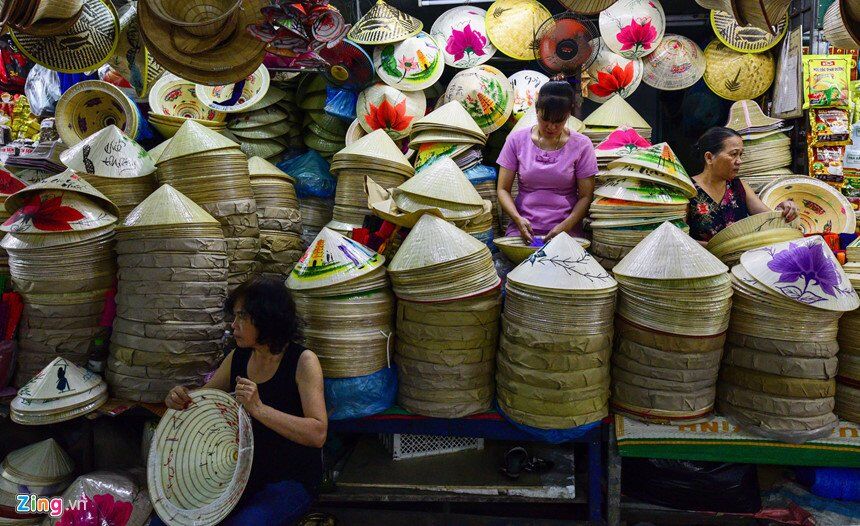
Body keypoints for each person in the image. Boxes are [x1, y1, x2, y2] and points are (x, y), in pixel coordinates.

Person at [155, 276, 327, 526]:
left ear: (267, 319)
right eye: (234, 317)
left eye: (242, 317)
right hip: (240, 477)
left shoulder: (303, 362)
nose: (233, 325)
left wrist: (259, 409)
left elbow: (318, 433)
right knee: (167, 520)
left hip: (289, 481)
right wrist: (180, 398)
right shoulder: (238, 357)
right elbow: (201, 403)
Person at [497, 81, 597, 243]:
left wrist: (565, 226)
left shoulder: (582, 145)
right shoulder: (516, 140)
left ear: (568, 115)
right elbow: (502, 189)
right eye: (545, 119)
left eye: (558, 121)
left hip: (566, 230)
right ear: (536, 110)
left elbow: (586, 197)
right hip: (523, 229)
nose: (551, 127)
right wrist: (517, 219)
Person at [688, 127, 798, 244]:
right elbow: (678, 237)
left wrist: (784, 209)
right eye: (733, 154)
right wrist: (716, 248)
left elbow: (769, 218)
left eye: (740, 154)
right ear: (709, 157)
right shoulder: (689, 189)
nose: (739, 161)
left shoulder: (739, 187)